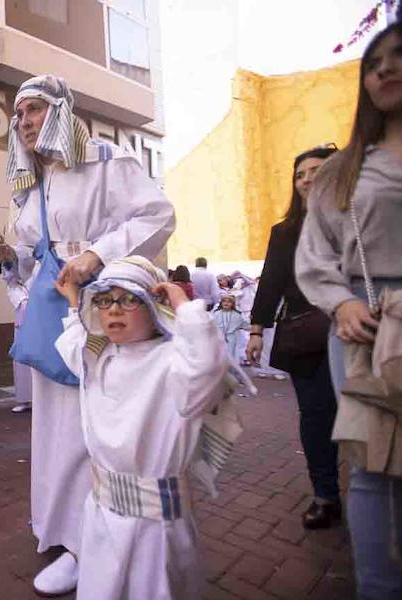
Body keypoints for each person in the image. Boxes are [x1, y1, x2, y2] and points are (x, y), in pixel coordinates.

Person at [0, 74, 175, 596]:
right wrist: (11, 257)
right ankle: (60, 526)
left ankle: (84, 544)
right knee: (57, 425)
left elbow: (158, 214)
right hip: (56, 314)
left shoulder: (108, 159)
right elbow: (33, 254)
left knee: (94, 425)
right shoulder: (37, 184)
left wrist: (99, 254)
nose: (22, 122)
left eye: (34, 110)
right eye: (18, 114)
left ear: (62, 113)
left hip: (102, 310)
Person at [296, 23, 402, 599]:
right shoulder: (343, 171)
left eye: (398, 55)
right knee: (372, 466)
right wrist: (338, 304)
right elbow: (314, 256)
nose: (384, 68)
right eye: (373, 61)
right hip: (366, 322)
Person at [54, 257, 231, 600]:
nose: (114, 310)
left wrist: (186, 307)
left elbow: (208, 365)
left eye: (129, 298)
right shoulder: (99, 355)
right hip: (102, 514)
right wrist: (74, 298)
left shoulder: (175, 364)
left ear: (153, 305)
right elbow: (76, 340)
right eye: (104, 300)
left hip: (156, 527)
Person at [248, 144, 341, 529]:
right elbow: (270, 282)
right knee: (317, 417)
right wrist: (257, 329)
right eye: (300, 174)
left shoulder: (357, 219)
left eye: (316, 170)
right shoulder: (285, 231)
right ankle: (325, 494)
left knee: (367, 410)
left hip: (358, 332)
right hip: (305, 335)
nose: (306, 180)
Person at [7, 282, 33, 413]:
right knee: (22, 364)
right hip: (23, 326)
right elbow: (22, 306)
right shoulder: (14, 288)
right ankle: (24, 398)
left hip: (33, 325)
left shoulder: (32, 280)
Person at [212, 295, 249, 362]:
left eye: (229, 302)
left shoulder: (237, 315)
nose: (226, 303)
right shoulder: (216, 313)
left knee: (231, 354)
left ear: (232, 304)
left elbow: (245, 325)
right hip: (219, 337)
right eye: (224, 301)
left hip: (232, 338)